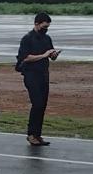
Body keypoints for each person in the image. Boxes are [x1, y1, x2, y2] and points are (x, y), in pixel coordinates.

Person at [17, 12, 60, 146]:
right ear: (36, 24)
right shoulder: (27, 39)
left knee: (43, 105)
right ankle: (31, 134)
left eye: (47, 27)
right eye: (43, 27)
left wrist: (53, 54)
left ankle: (37, 134)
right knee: (37, 104)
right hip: (31, 75)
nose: (45, 29)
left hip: (43, 75)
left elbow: (50, 56)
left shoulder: (47, 38)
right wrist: (43, 55)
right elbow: (26, 57)